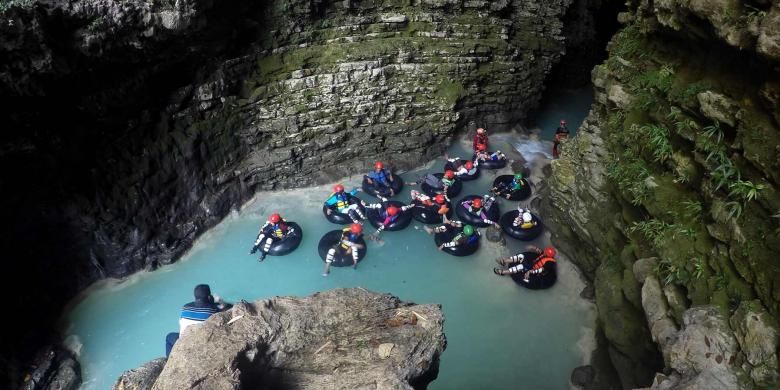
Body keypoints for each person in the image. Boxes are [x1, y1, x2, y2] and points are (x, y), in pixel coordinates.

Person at [165, 284, 232, 357]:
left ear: (194, 297)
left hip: (183, 342)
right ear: (209, 297)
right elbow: (231, 308)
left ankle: (169, 360)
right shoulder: (214, 309)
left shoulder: (186, 307)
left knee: (169, 337)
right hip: (201, 344)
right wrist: (220, 301)